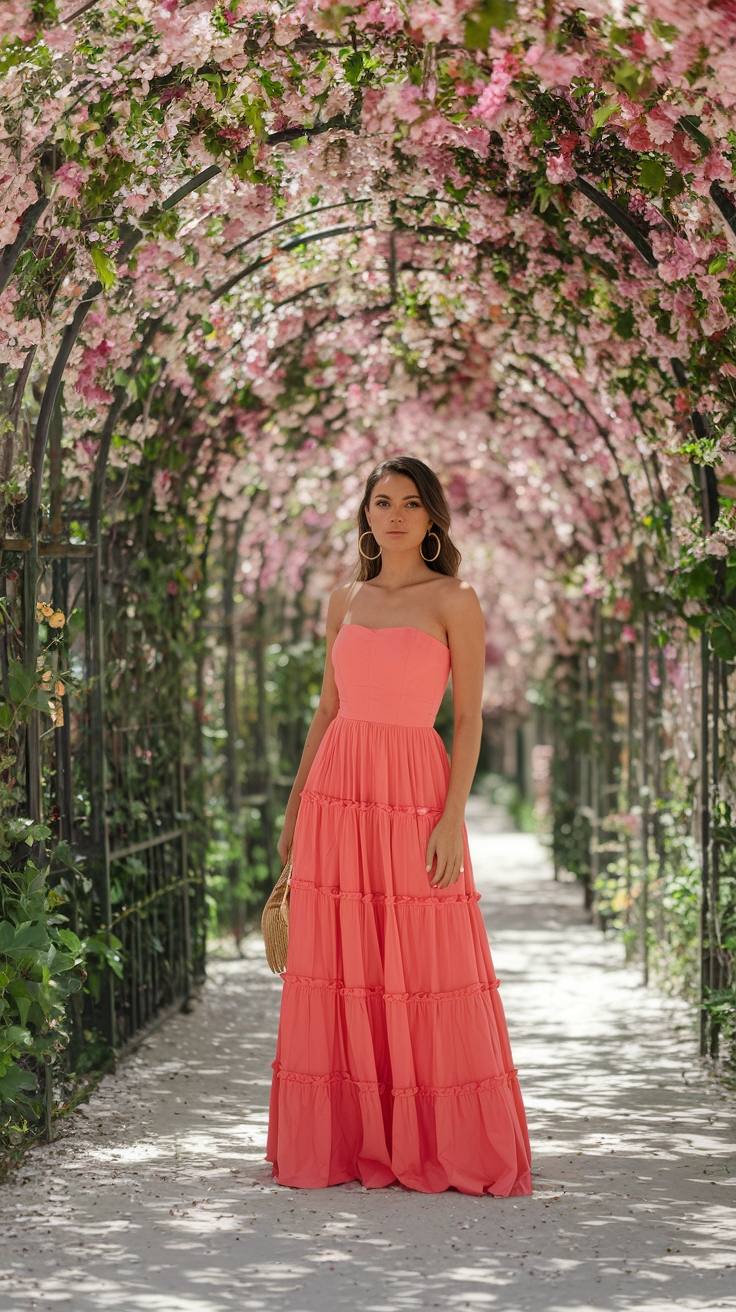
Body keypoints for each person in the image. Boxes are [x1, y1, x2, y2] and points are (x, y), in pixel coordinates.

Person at [266, 455, 532, 1195]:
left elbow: (470, 718)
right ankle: (351, 1140)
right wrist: (296, 807)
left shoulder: (455, 598)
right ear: (366, 514)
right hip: (338, 791)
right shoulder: (344, 599)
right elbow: (327, 710)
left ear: (431, 517)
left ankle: (428, 1138)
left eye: (411, 503)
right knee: (342, 959)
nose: (395, 515)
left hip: (415, 788)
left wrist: (453, 818)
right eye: (382, 502)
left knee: (423, 958)